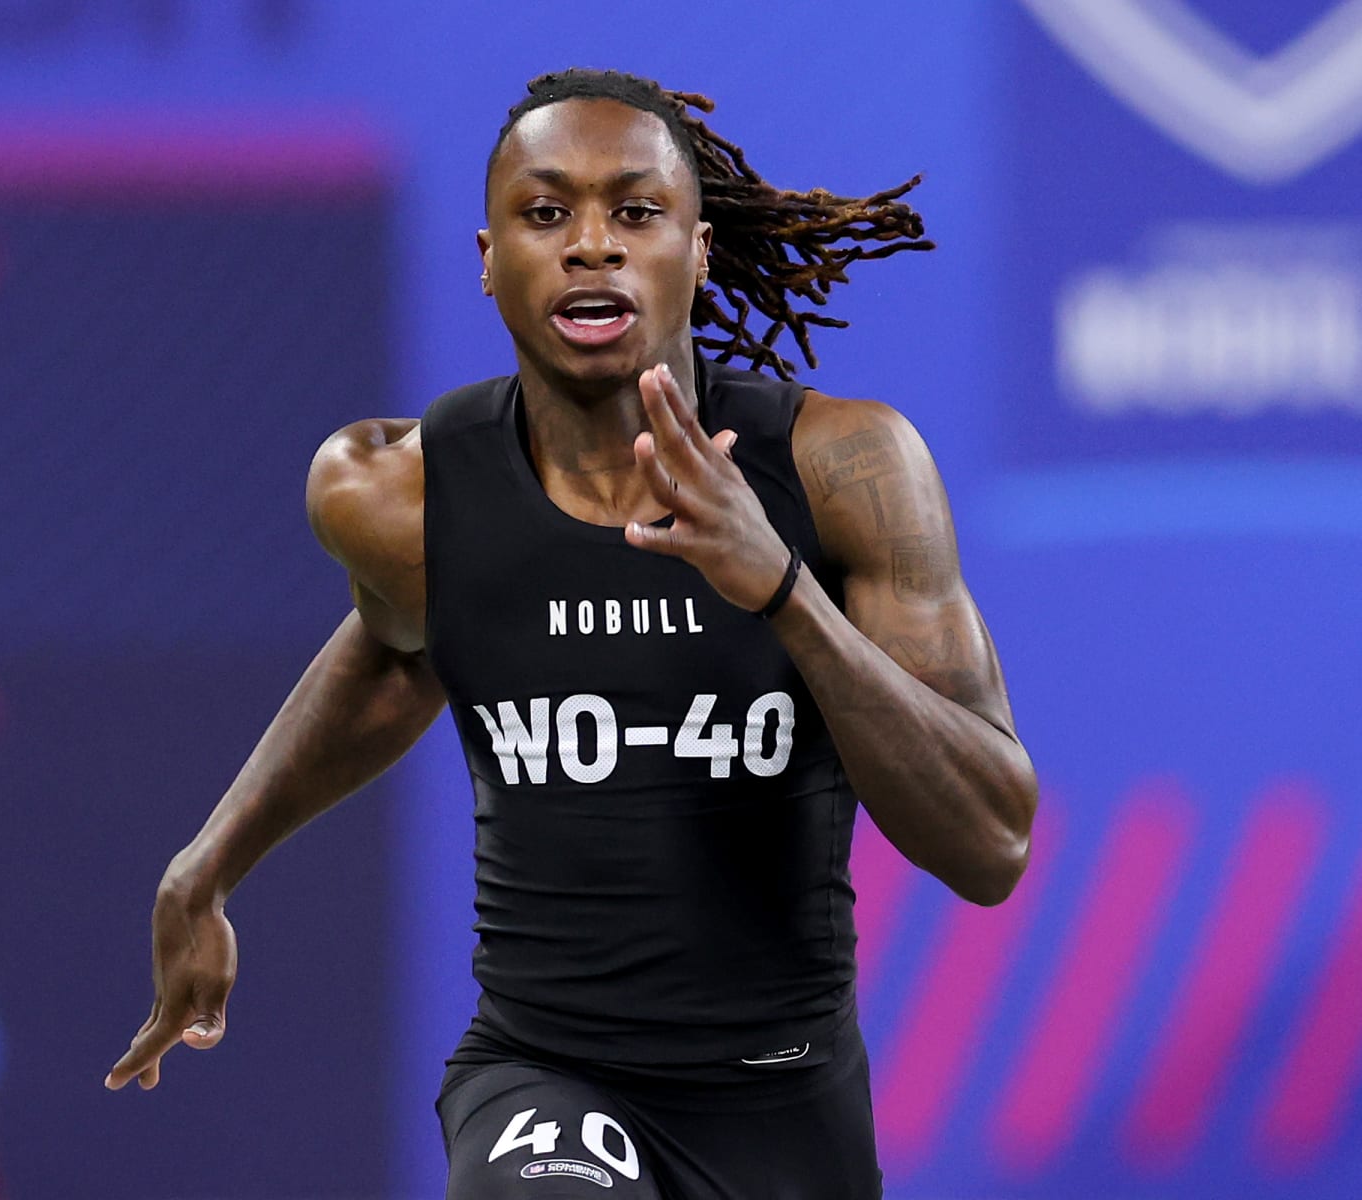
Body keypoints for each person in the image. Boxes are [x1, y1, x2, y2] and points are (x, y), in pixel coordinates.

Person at [105, 68, 1038, 1199]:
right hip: (546, 1079)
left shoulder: (843, 472)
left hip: (784, 1102)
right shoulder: (395, 495)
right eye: (546, 213)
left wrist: (785, 592)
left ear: (697, 251)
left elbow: (989, 845)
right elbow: (397, 654)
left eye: (636, 212)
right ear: (490, 259)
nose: (591, 245)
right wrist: (207, 867)